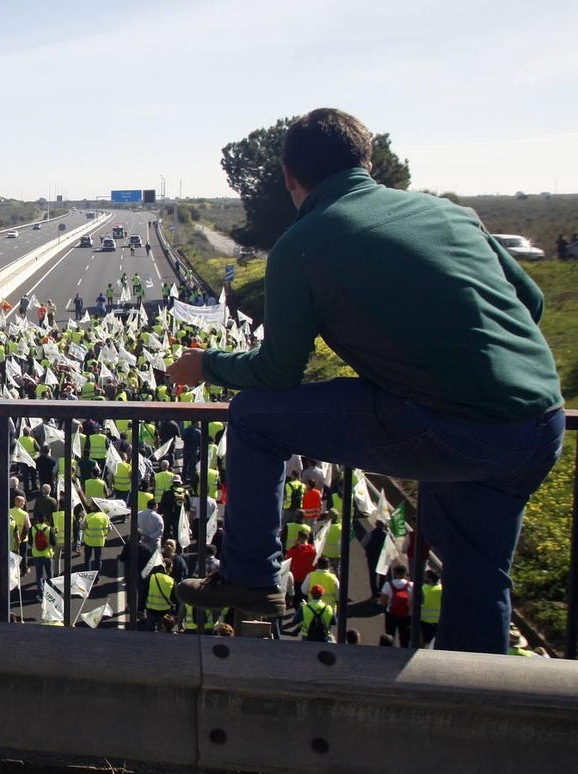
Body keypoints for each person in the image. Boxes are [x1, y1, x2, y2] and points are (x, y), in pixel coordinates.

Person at [168, 108, 563, 655]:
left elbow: (278, 373)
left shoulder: (302, 245)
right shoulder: (451, 214)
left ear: (289, 176)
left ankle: (251, 576)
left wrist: (206, 364)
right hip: (538, 426)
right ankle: (478, 709)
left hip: (448, 424)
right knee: (480, 578)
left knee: (253, 416)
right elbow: (532, 302)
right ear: (368, 162)